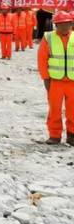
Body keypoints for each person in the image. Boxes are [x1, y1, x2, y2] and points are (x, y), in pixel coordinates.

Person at [37, 11, 74, 145]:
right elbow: (42, 60)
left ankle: (72, 136)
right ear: (56, 25)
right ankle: (54, 135)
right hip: (55, 82)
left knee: (73, 110)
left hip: (72, 82)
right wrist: (46, 79)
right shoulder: (48, 38)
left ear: (71, 24)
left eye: (67, 24)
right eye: (61, 24)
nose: (65, 27)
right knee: (54, 110)